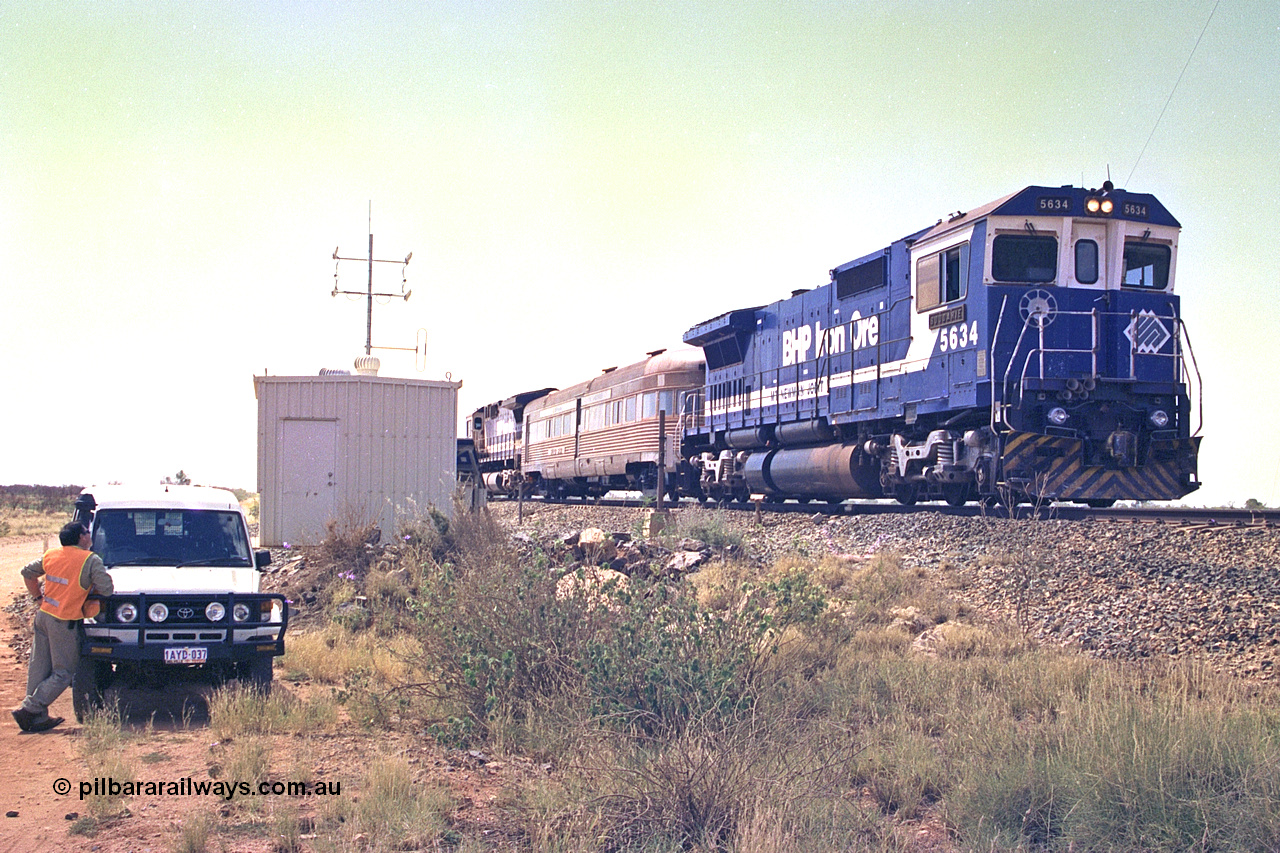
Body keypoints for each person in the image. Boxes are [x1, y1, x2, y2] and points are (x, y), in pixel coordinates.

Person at [11, 521, 114, 733]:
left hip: (44, 616)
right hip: (64, 621)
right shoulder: (90, 559)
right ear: (80, 538)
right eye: (86, 532)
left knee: (39, 668)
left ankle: (36, 718)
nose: (89, 534)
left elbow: (27, 573)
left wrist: (38, 597)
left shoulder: (51, 555)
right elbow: (107, 589)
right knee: (64, 673)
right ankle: (28, 709)